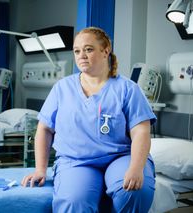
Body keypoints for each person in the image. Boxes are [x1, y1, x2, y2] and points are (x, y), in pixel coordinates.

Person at [21, 26, 156, 213]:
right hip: (76, 161)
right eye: (77, 51)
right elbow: (44, 129)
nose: (81, 55)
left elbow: (141, 131)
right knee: (74, 201)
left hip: (121, 157)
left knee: (133, 192)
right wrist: (40, 169)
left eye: (88, 49)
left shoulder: (128, 89)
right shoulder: (62, 88)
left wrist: (135, 168)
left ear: (105, 50)